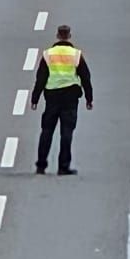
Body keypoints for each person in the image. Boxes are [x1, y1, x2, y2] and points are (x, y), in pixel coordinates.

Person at [30, 24, 93, 175]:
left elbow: (41, 78)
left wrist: (35, 98)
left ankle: (41, 165)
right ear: (69, 36)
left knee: (47, 131)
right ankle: (63, 166)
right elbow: (85, 77)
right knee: (67, 132)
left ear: (57, 36)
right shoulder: (76, 55)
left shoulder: (48, 55)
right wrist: (89, 98)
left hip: (52, 97)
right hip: (70, 97)